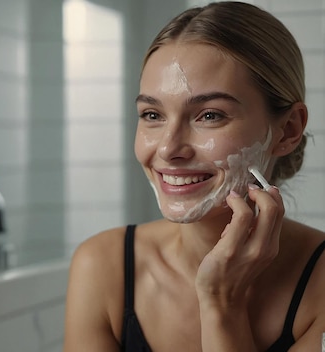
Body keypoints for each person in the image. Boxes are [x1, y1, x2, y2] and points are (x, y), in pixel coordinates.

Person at [63, 2, 325, 351]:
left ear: (288, 130)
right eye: (152, 114)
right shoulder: (103, 267)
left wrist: (221, 303)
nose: (169, 148)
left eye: (210, 115)